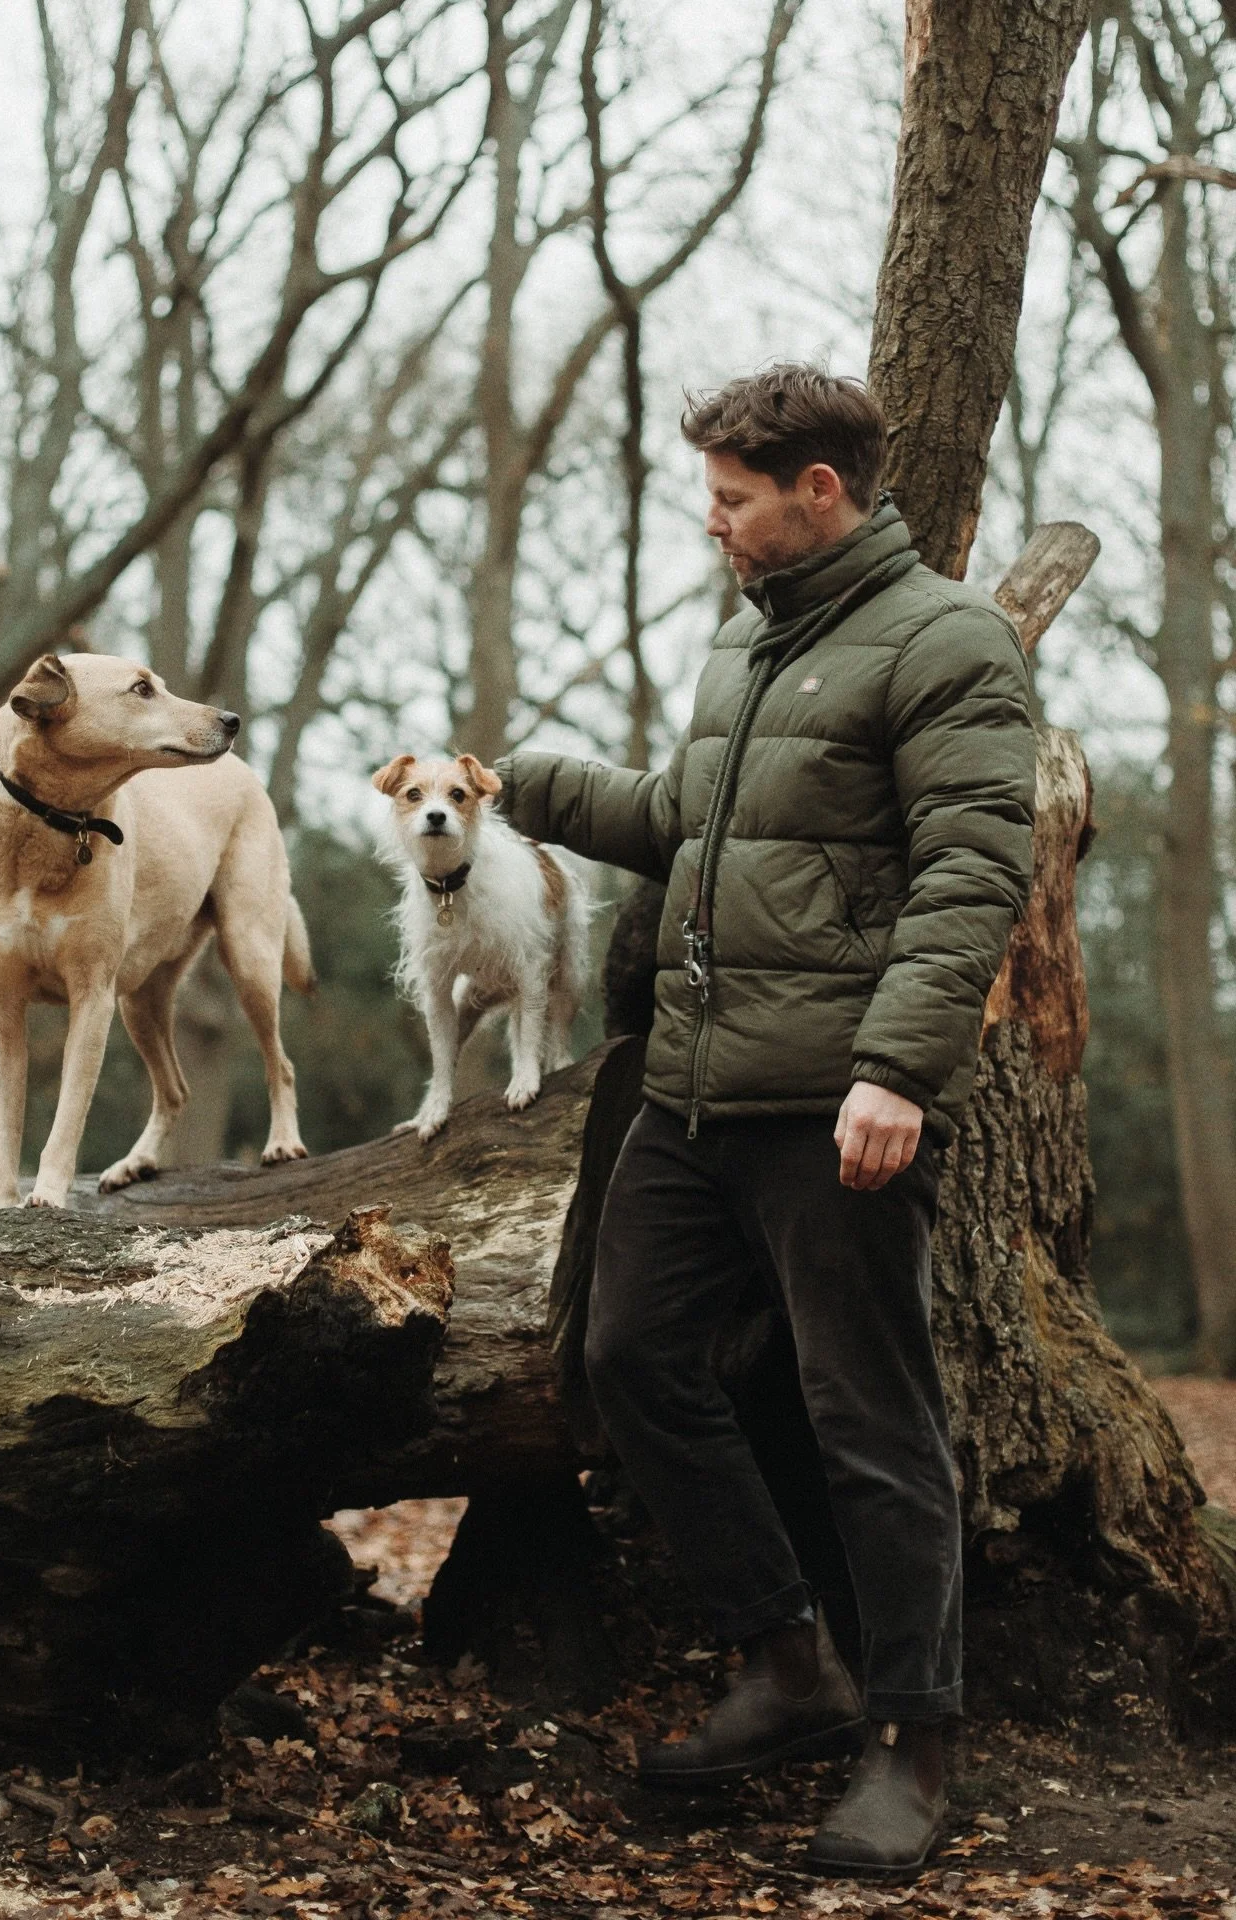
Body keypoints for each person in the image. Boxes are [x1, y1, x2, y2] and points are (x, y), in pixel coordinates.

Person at [493, 364, 1036, 1878]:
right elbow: (683, 820)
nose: (713, 522)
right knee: (629, 1355)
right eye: (711, 496)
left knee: (870, 1417)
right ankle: (790, 1663)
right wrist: (523, 783)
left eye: (734, 498)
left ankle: (914, 1749)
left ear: (819, 491)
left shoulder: (947, 640)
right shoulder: (752, 642)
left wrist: (899, 1070)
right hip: (692, 1090)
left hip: (836, 1106)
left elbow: (974, 868)